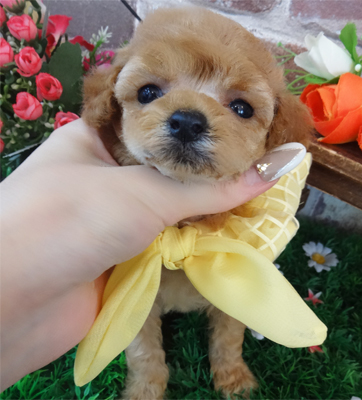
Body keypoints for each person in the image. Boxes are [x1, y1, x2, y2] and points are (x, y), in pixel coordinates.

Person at [0, 119, 277, 390]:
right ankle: (148, 377)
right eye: (149, 95)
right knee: (134, 300)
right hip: (141, 260)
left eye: (241, 109)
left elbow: (238, 297)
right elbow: (131, 305)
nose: (187, 122)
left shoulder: (253, 224)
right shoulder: (120, 218)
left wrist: (229, 363)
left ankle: (228, 366)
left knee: (232, 298)